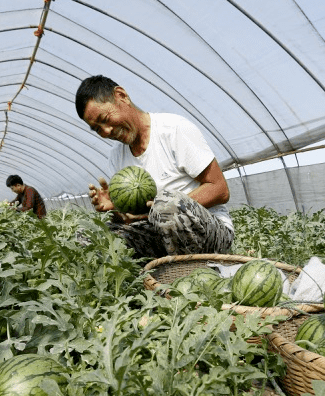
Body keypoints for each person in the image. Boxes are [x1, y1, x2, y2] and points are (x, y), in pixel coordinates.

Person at [75, 75, 234, 259]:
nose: (106, 131)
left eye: (105, 118)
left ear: (121, 95)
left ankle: (191, 278)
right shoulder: (116, 156)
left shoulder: (173, 129)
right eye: (97, 129)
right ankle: (142, 279)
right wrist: (115, 209)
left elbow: (220, 189)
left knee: (167, 207)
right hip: (159, 234)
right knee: (89, 234)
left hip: (211, 231)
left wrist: (164, 208)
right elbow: (133, 218)